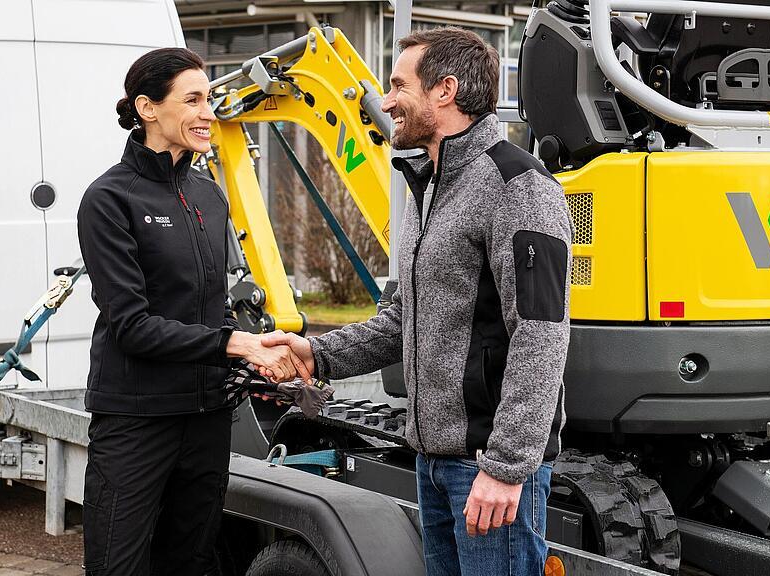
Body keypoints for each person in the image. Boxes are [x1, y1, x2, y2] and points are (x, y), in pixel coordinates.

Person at [261, 27, 572, 576]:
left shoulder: (518, 186)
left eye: (399, 85)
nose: (385, 101)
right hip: (434, 462)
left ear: (445, 90)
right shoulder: (428, 187)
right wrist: (316, 355)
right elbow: (401, 319)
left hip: (487, 471)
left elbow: (541, 334)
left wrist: (505, 467)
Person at [76, 47, 308, 576]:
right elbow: (131, 325)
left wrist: (256, 348)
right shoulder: (108, 199)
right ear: (148, 108)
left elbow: (209, 309)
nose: (209, 112)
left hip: (206, 418)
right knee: (118, 566)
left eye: (209, 98)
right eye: (194, 100)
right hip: (136, 421)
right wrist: (233, 344)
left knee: (192, 564)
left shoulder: (208, 193)